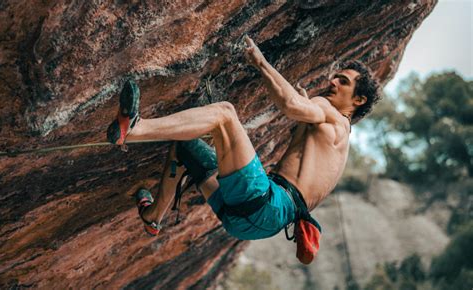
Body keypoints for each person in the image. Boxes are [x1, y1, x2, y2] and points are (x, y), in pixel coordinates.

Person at [106, 36, 380, 263]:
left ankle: (134, 129)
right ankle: (153, 217)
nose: (333, 81)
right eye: (336, 77)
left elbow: (291, 105)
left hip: (267, 203)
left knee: (225, 113)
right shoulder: (339, 138)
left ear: (358, 99)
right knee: (186, 145)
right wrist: (309, 109)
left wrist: (260, 61)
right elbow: (305, 123)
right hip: (249, 222)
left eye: (343, 81)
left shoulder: (332, 114)